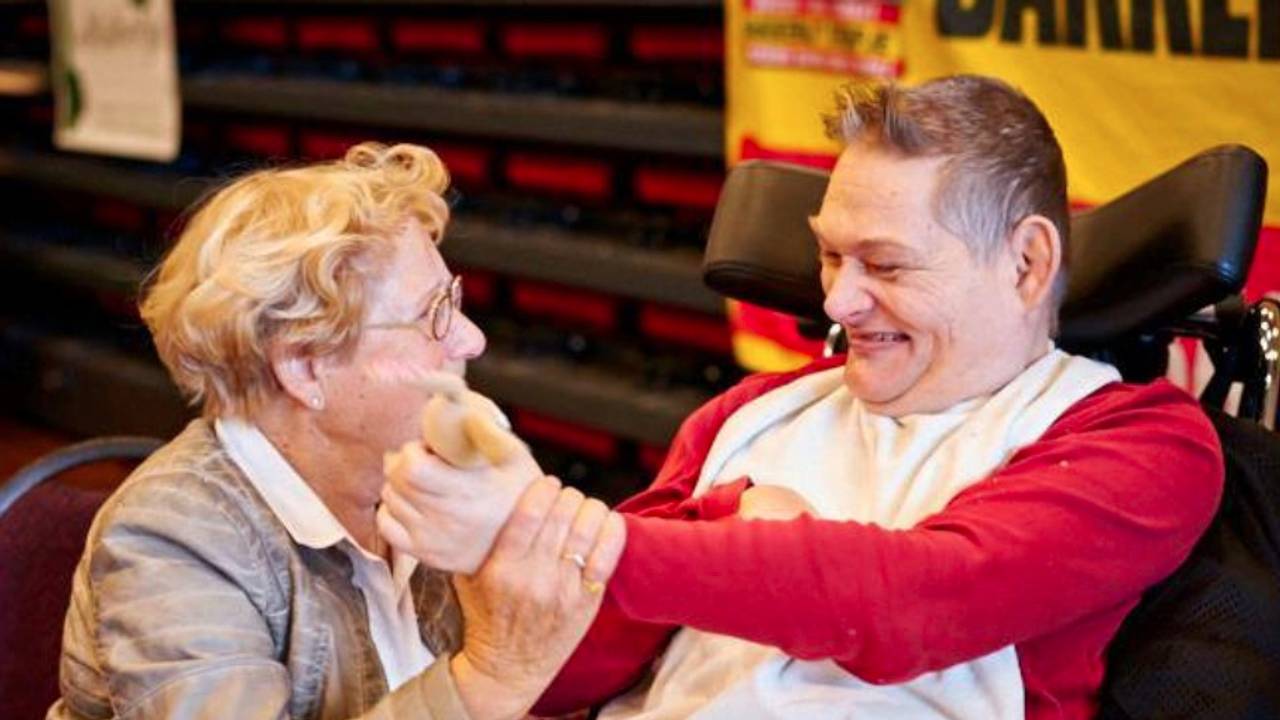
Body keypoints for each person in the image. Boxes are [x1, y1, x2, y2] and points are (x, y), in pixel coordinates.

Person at [377, 75, 1225, 719]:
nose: (836, 301)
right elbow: (572, 675)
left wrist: (569, 536)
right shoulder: (749, 415)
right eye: (831, 256)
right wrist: (510, 565)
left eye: (886, 266)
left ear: (1027, 264)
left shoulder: (1139, 440)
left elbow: (918, 601)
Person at [48, 142, 625, 720]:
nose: (471, 339)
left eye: (454, 301)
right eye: (433, 316)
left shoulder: (418, 482)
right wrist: (495, 674)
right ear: (305, 367)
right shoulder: (169, 538)